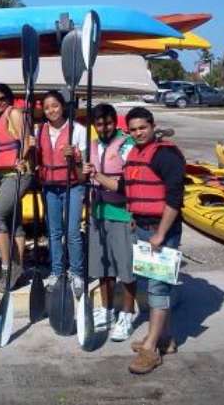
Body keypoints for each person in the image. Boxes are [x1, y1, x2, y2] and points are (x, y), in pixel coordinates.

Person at [87, 106, 185, 375]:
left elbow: (175, 199)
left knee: (157, 289)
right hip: (142, 226)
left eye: (143, 127)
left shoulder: (166, 155)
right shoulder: (136, 154)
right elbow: (125, 188)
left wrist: (161, 234)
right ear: (128, 131)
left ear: (152, 126)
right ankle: (166, 339)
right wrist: (96, 176)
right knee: (154, 284)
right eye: (134, 129)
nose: (139, 133)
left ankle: (150, 348)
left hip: (161, 231)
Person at [81, 103, 137, 340]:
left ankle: (127, 313)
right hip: (98, 213)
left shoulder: (127, 145)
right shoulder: (91, 146)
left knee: (126, 269)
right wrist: (78, 166)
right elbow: (81, 177)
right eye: (99, 124)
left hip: (122, 213)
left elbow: (129, 183)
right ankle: (107, 309)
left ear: (116, 122)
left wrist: (96, 175)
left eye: (108, 123)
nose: (104, 128)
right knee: (103, 269)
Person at [0, 83, 32, 292]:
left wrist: (22, 158)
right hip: (3, 177)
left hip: (17, 174)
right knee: (14, 224)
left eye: (1, 98)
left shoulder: (15, 113)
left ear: (9, 99)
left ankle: (8, 267)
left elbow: (27, 141)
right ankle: (19, 272)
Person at [35, 90, 86, 296]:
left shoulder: (78, 130)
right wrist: (27, 154)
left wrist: (74, 157)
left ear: (63, 106)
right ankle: (56, 271)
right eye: (47, 108)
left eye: (55, 105)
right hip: (49, 187)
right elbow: (35, 161)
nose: (51, 110)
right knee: (53, 232)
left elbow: (83, 172)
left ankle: (76, 273)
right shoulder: (39, 131)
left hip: (72, 185)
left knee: (72, 232)